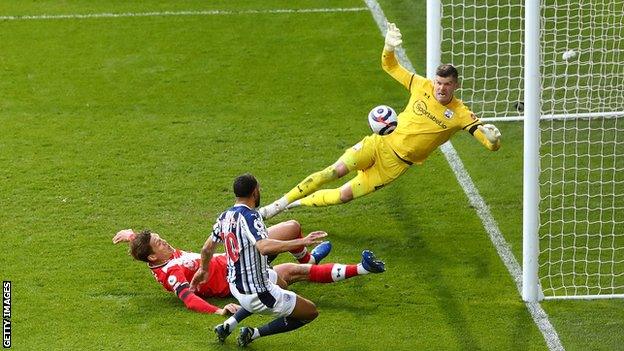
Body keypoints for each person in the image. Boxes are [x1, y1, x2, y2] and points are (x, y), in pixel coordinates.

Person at [259, 22, 502, 219]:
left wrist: (493, 140)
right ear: (434, 81)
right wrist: (388, 47)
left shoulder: (460, 113)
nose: (440, 88)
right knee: (334, 171)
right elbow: (390, 66)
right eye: (438, 83)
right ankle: (278, 205)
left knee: (343, 196)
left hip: (394, 166)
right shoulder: (421, 85)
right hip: (378, 143)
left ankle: (297, 204)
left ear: (455, 85)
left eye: (447, 84)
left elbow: (486, 141)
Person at [191, 174, 385, 346]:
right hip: (259, 293)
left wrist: (203, 270)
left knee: (282, 280)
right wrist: (302, 241)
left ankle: (228, 325)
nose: (260, 191)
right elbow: (264, 247)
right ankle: (253, 334)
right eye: (259, 189)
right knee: (310, 312)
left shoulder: (225, 216)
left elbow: (207, 248)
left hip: (235, 284)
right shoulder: (250, 216)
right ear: (253, 193)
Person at [112, 221, 384, 317]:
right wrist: (219, 309)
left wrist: (131, 235)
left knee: (291, 227)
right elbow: (189, 300)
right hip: (240, 276)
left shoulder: (159, 255)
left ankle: (309, 259)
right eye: (159, 243)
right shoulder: (170, 273)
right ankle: (360, 268)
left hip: (235, 254)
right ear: (151, 257)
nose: (166, 242)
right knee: (291, 271)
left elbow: (146, 247)